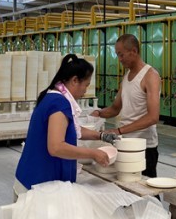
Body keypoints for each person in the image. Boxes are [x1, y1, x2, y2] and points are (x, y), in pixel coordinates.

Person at [15, 54, 117, 193]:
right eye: (86, 85)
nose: (85, 91)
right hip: (39, 185)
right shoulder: (59, 103)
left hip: (35, 179)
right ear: (75, 80)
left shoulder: (53, 96)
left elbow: (72, 129)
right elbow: (56, 147)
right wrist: (93, 153)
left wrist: (101, 136)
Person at [91, 34, 161, 177]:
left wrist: (119, 130)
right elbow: (115, 108)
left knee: (144, 186)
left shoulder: (150, 76)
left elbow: (153, 117)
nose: (119, 59)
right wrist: (98, 113)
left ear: (134, 51)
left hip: (144, 147)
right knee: (125, 182)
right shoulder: (126, 77)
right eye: (118, 55)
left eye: (121, 55)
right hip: (124, 142)